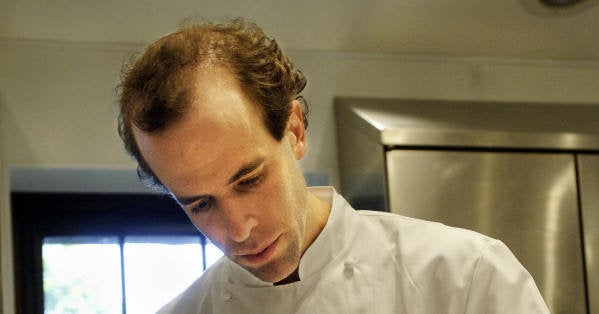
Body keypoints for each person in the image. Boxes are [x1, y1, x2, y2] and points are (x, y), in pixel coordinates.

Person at [117, 18, 550, 313]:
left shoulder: (463, 276)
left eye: (248, 179)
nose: (237, 229)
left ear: (294, 130)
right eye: (199, 205)